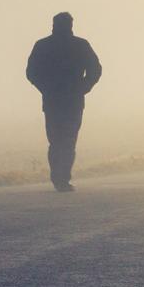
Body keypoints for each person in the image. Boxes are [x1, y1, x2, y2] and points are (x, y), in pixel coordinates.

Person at [25, 12, 102, 191]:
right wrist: (84, 87)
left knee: (56, 140)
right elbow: (95, 70)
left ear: (53, 24)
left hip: (53, 101)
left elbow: (31, 73)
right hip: (72, 100)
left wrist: (45, 88)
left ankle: (58, 178)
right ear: (71, 25)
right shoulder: (80, 45)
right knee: (68, 140)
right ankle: (62, 178)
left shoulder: (43, 45)